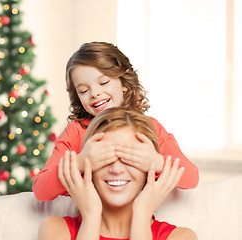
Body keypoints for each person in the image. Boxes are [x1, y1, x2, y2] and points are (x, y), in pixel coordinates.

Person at [32, 42, 199, 201]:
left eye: (104, 82)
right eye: (83, 90)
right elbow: (40, 190)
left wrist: (155, 162)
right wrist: (81, 163)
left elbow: (191, 178)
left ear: (124, 83)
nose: (95, 93)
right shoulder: (76, 131)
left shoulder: (150, 127)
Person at [38, 107, 198, 240]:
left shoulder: (181, 237)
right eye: (105, 158)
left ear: (150, 168)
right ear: (89, 167)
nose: (116, 169)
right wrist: (91, 216)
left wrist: (141, 217)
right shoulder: (55, 230)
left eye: (130, 158)